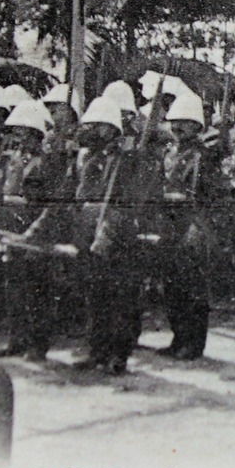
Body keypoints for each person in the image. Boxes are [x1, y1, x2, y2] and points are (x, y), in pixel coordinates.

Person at [0, 100, 70, 361]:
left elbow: (52, 204)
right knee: (14, 289)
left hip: (35, 233)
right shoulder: (13, 161)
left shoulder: (48, 164)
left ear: (36, 135)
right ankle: (16, 340)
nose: (18, 140)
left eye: (23, 133)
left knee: (37, 291)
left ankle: (36, 344)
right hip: (11, 231)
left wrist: (35, 231)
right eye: (15, 133)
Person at [71, 95, 152, 375]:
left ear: (114, 130)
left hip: (119, 235)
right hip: (90, 230)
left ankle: (119, 354)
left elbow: (130, 201)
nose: (95, 131)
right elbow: (82, 196)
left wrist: (109, 231)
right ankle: (97, 351)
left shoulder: (129, 159)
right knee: (96, 296)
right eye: (92, 126)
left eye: (101, 126)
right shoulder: (89, 160)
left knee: (122, 298)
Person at [147, 92, 220, 360]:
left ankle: (194, 343)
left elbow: (211, 193)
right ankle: (178, 338)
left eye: (185, 123)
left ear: (198, 126)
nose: (177, 128)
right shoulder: (169, 152)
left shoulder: (205, 156)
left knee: (193, 286)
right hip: (169, 220)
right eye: (174, 122)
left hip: (194, 222)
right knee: (172, 284)